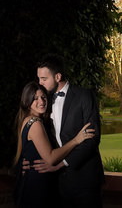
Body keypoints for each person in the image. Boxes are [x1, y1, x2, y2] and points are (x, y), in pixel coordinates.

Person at [36, 54, 105, 208]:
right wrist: (28, 160)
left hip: (85, 179)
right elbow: (39, 134)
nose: (40, 83)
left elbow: (92, 139)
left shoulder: (84, 96)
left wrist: (62, 163)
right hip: (59, 182)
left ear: (58, 76)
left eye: (44, 79)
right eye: (39, 78)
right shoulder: (43, 101)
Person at [14, 81, 95, 207]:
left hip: (33, 179)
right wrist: (76, 140)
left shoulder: (26, 120)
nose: (41, 102)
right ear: (27, 102)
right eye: (35, 99)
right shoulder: (35, 124)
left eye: (43, 97)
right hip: (38, 184)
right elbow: (51, 158)